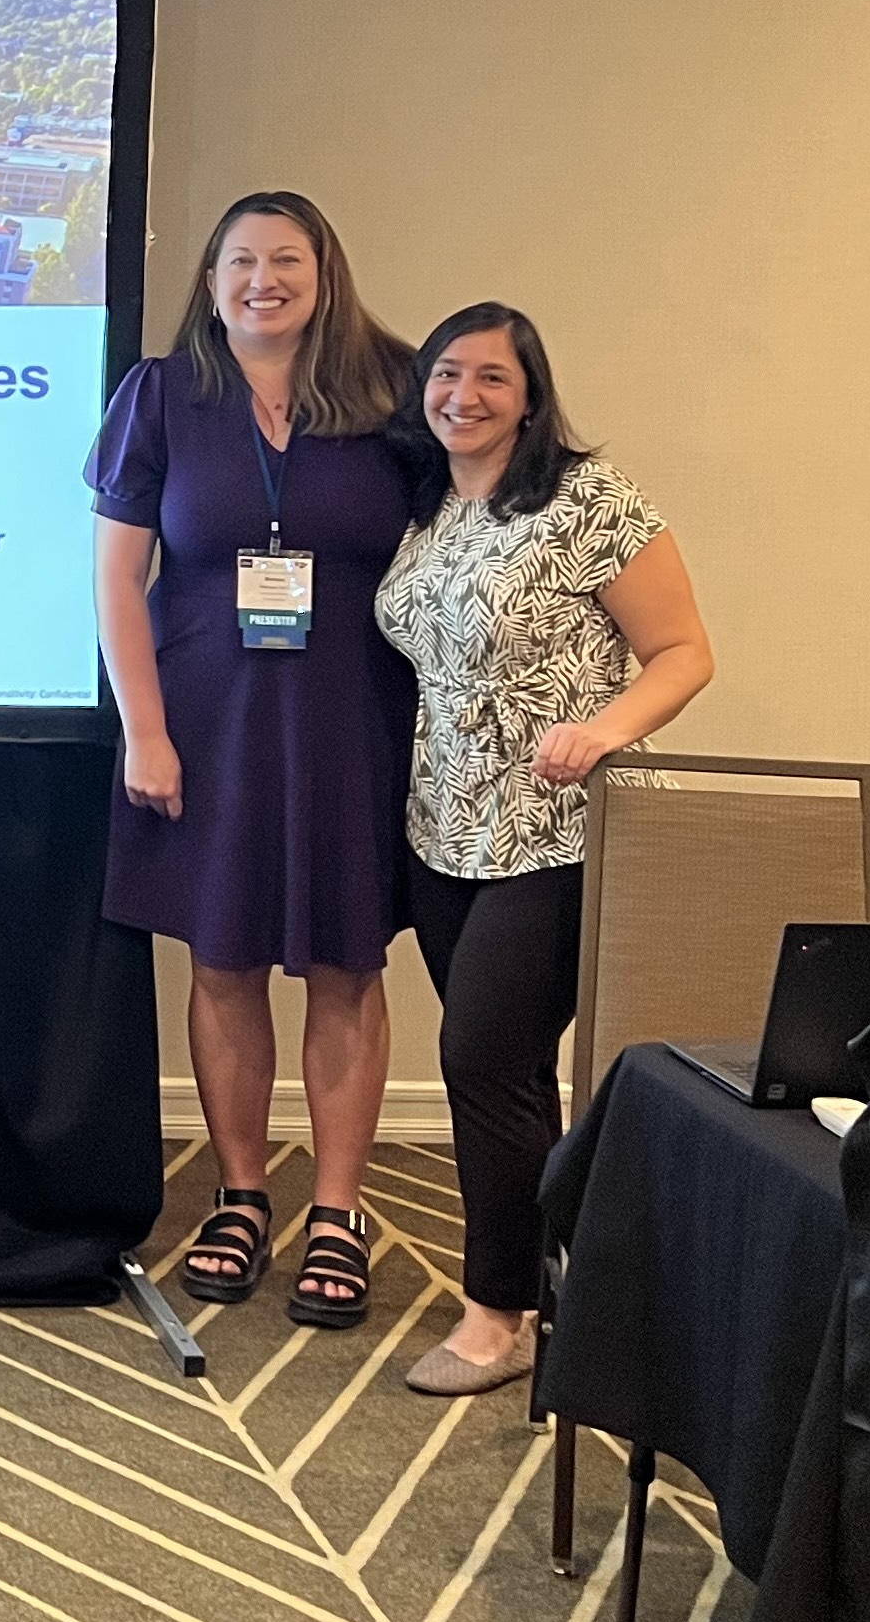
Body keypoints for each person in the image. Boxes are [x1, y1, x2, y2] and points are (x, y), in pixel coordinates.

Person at [90, 191, 421, 1330]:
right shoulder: (163, 395)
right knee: (224, 961)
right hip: (205, 719)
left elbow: (477, 531)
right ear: (212, 275)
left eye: (287, 259)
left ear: (326, 272)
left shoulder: (396, 389)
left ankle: (337, 1209)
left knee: (346, 963)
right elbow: (116, 580)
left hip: (354, 719)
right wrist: (145, 727)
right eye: (241, 260)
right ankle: (240, 1195)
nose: (262, 279)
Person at [373, 303, 714, 1398]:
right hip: (441, 827)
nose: (462, 396)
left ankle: (496, 1313)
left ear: (531, 395)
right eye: (445, 375)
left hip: (556, 830)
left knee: (480, 1059)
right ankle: (566, 1277)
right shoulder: (427, 507)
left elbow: (683, 650)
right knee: (508, 1073)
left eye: (490, 379)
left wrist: (605, 730)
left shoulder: (587, 501)